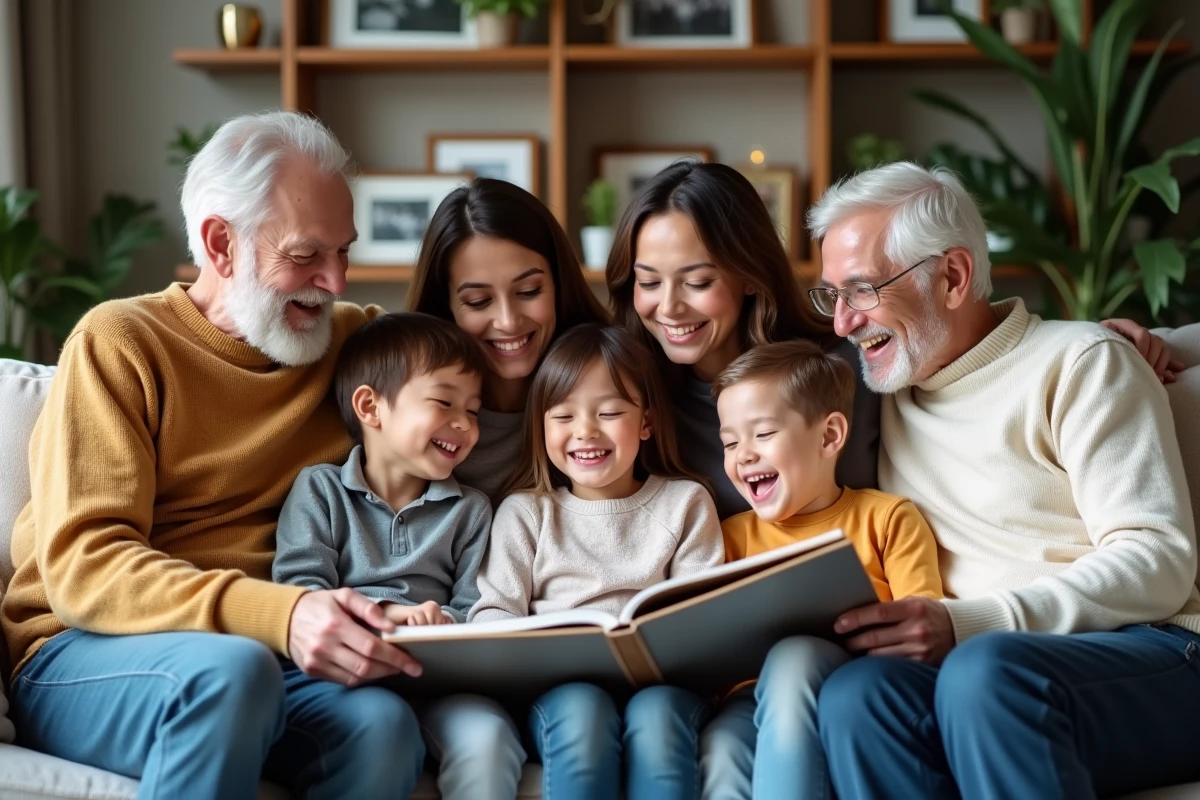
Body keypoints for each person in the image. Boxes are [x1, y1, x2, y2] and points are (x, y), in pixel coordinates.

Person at [0, 110, 427, 799]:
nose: (337, 281)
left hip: (266, 658)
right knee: (230, 675)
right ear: (221, 244)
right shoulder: (120, 343)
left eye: (344, 251)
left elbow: (484, 378)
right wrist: (282, 614)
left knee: (383, 727)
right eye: (305, 255)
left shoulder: (357, 350)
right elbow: (85, 565)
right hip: (83, 651)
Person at [807, 161, 1200, 798]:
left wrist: (973, 623)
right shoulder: (877, 389)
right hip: (979, 664)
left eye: (861, 291)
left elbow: (1158, 561)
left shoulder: (1080, 362)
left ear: (954, 277)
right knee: (858, 693)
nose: (842, 323)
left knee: (984, 675)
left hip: (1152, 652)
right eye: (831, 295)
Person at [466, 323, 725, 800]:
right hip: (561, 691)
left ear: (646, 421)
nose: (585, 431)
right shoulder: (526, 513)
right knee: (583, 714)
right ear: (540, 426)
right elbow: (494, 613)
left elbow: (703, 624)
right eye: (562, 416)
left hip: (664, 692)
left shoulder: (685, 503)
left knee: (657, 719)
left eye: (608, 412)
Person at [272, 311, 513, 800]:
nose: (464, 424)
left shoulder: (471, 510)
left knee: (487, 739)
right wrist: (389, 616)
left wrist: (441, 621)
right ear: (371, 407)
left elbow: (477, 607)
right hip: (344, 678)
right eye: (444, 401)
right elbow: (299, 594)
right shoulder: (320, 491)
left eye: (473, 410)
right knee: (379, 728)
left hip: (439, 683)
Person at [701, 339, 943, 800]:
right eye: (729, 442)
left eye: (763, 434)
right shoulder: (728, 536)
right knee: (722, 745)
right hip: (748, 699)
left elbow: (922, 630)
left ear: (830, 436)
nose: (743, 455)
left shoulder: (887, 518)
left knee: (797, 658)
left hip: (852, 689)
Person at [604, 160, 881, 521]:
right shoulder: (633, 399)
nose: (669, 308)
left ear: (750, 275)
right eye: (650, 283)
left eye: (698, 282)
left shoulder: (851, 365)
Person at [409, 177, 608, 503]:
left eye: (529, 291)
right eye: (477, 301)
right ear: (445, 305)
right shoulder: (408, 408)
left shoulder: (615, 379)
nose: (508, 320)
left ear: (559, 284)